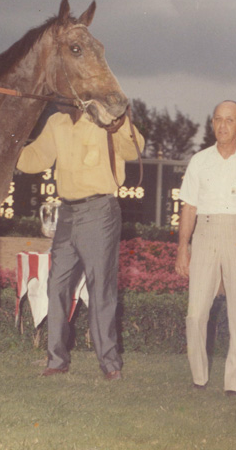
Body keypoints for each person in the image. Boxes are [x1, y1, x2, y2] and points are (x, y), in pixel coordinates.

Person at [16, 102, 144, 380]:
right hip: (67, 212)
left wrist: (117, 123)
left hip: (100, 211)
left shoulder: (104, 115)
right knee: (56, 284)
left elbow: (134, 150)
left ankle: (110, 365)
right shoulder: (57, 122)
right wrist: (7, 148)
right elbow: (35, 157)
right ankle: (56, 360)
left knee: (101, 288)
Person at [175, 100, 236, 396]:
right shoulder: (199, 160)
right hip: (204, 234)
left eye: (229, 120)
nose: (222, 125)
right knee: (195, 313)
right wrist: (183, 247)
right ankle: (199, 378)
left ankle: (234, 384)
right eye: (218, 119)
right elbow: (189, 208)